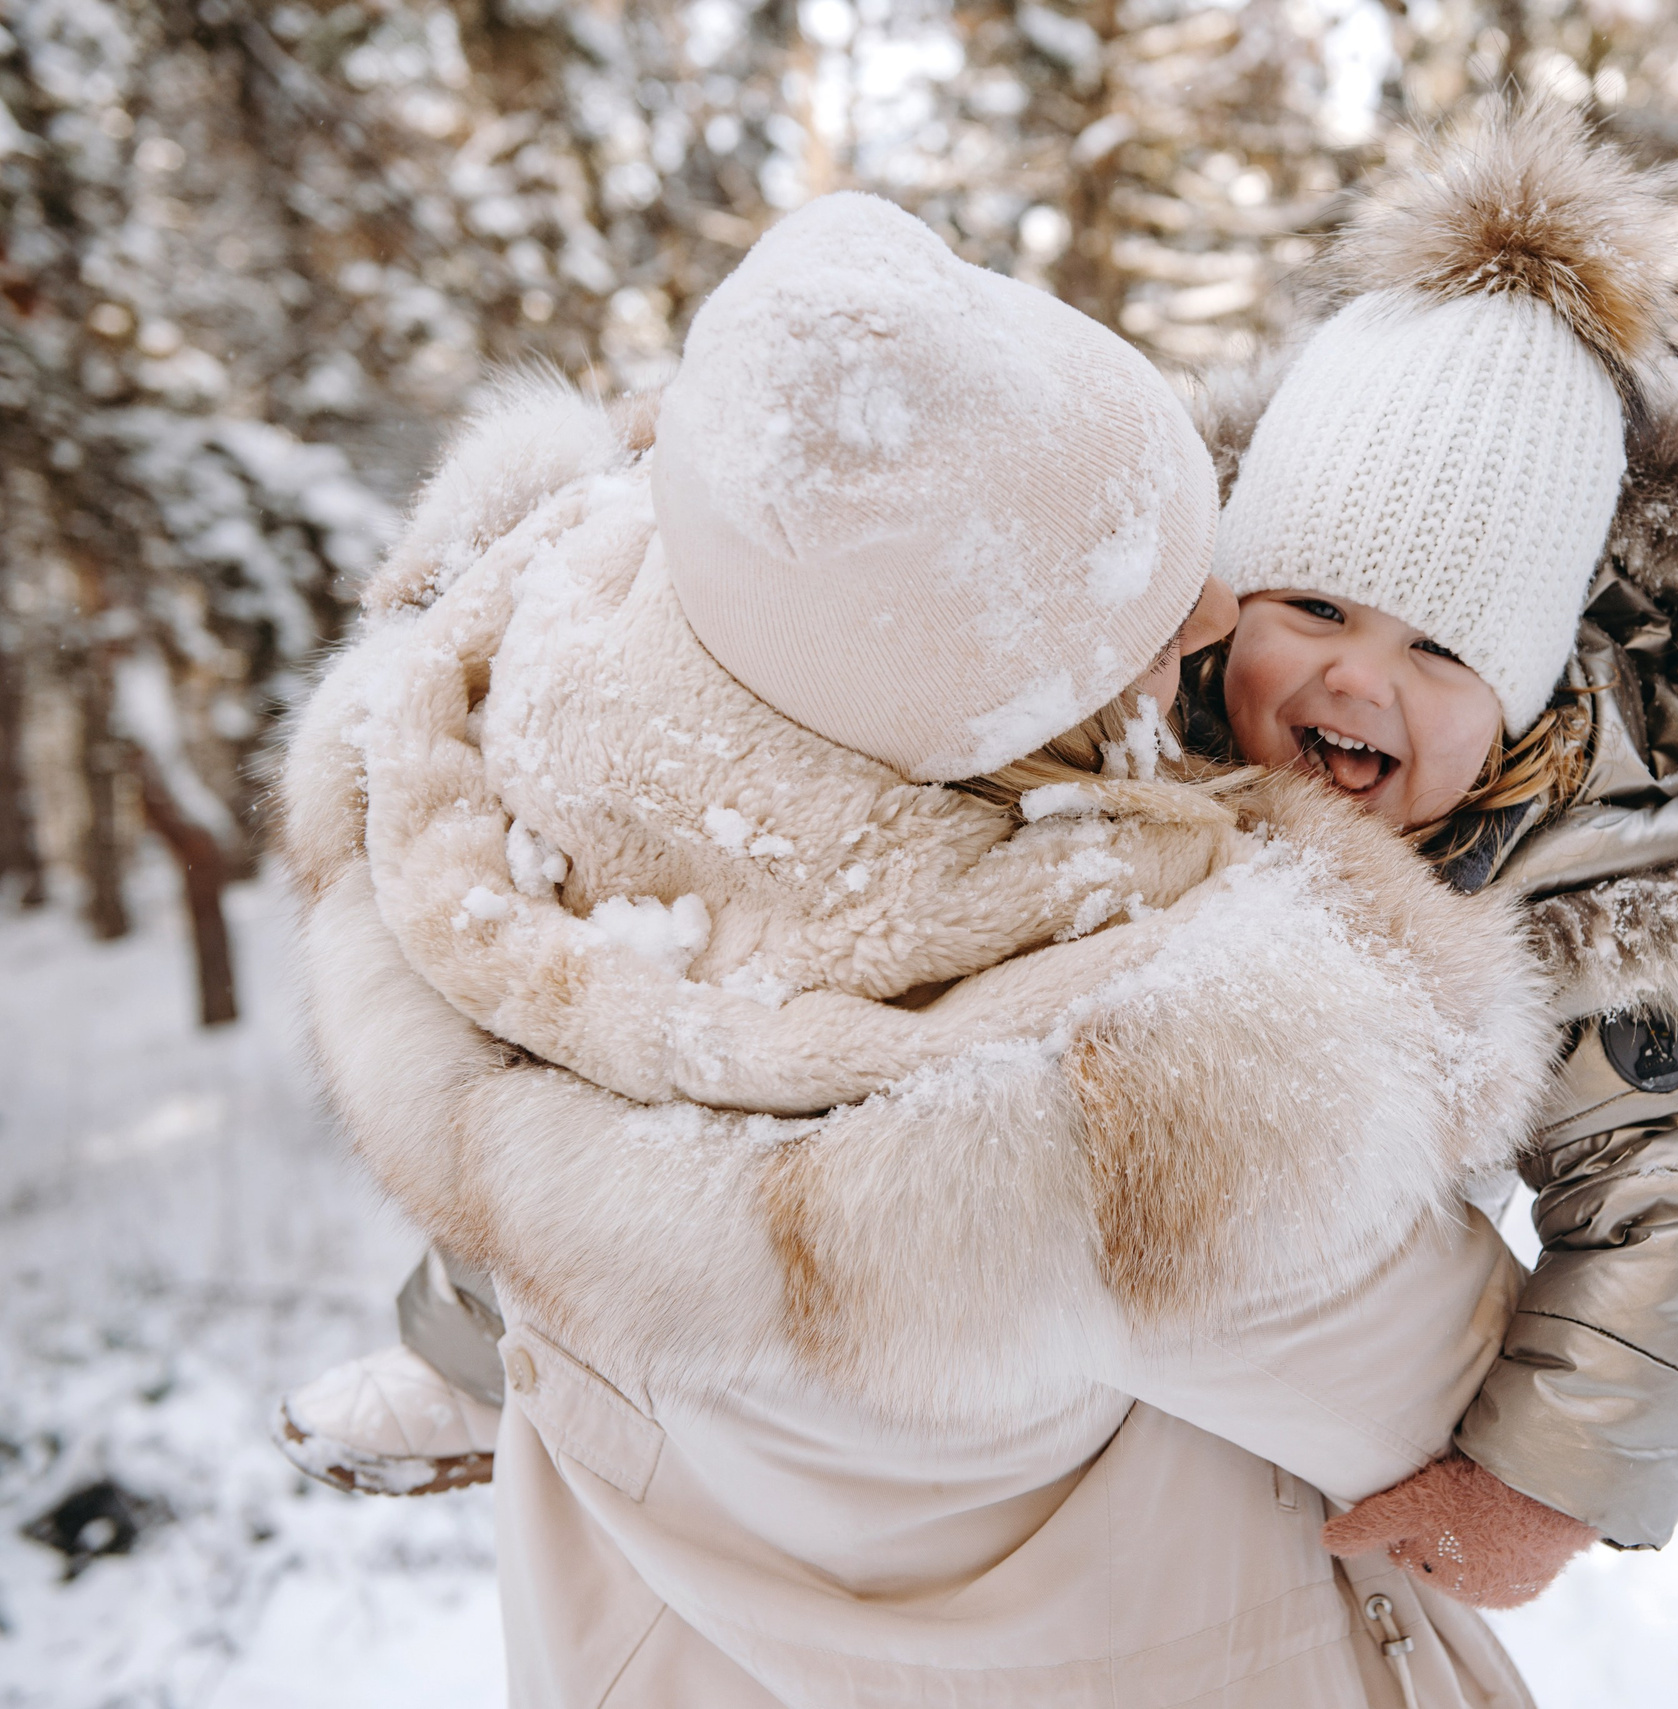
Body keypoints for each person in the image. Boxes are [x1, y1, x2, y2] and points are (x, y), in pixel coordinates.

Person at [280, 191, 1559, 1705]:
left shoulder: (534, 782)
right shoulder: (1143, 1087)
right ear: (991, 707)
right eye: (1152, 600)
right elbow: (1462, 1402)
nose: (1220, 615)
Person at [1176, 105, 1678, 1601]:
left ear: (1524, 693)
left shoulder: (1545, 880)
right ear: (1224, 598)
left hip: (1279, 1406)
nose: (1357, 681)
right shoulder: (1126, 722)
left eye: (1441, 648)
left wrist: (1544, 1476)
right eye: (1314, 608)